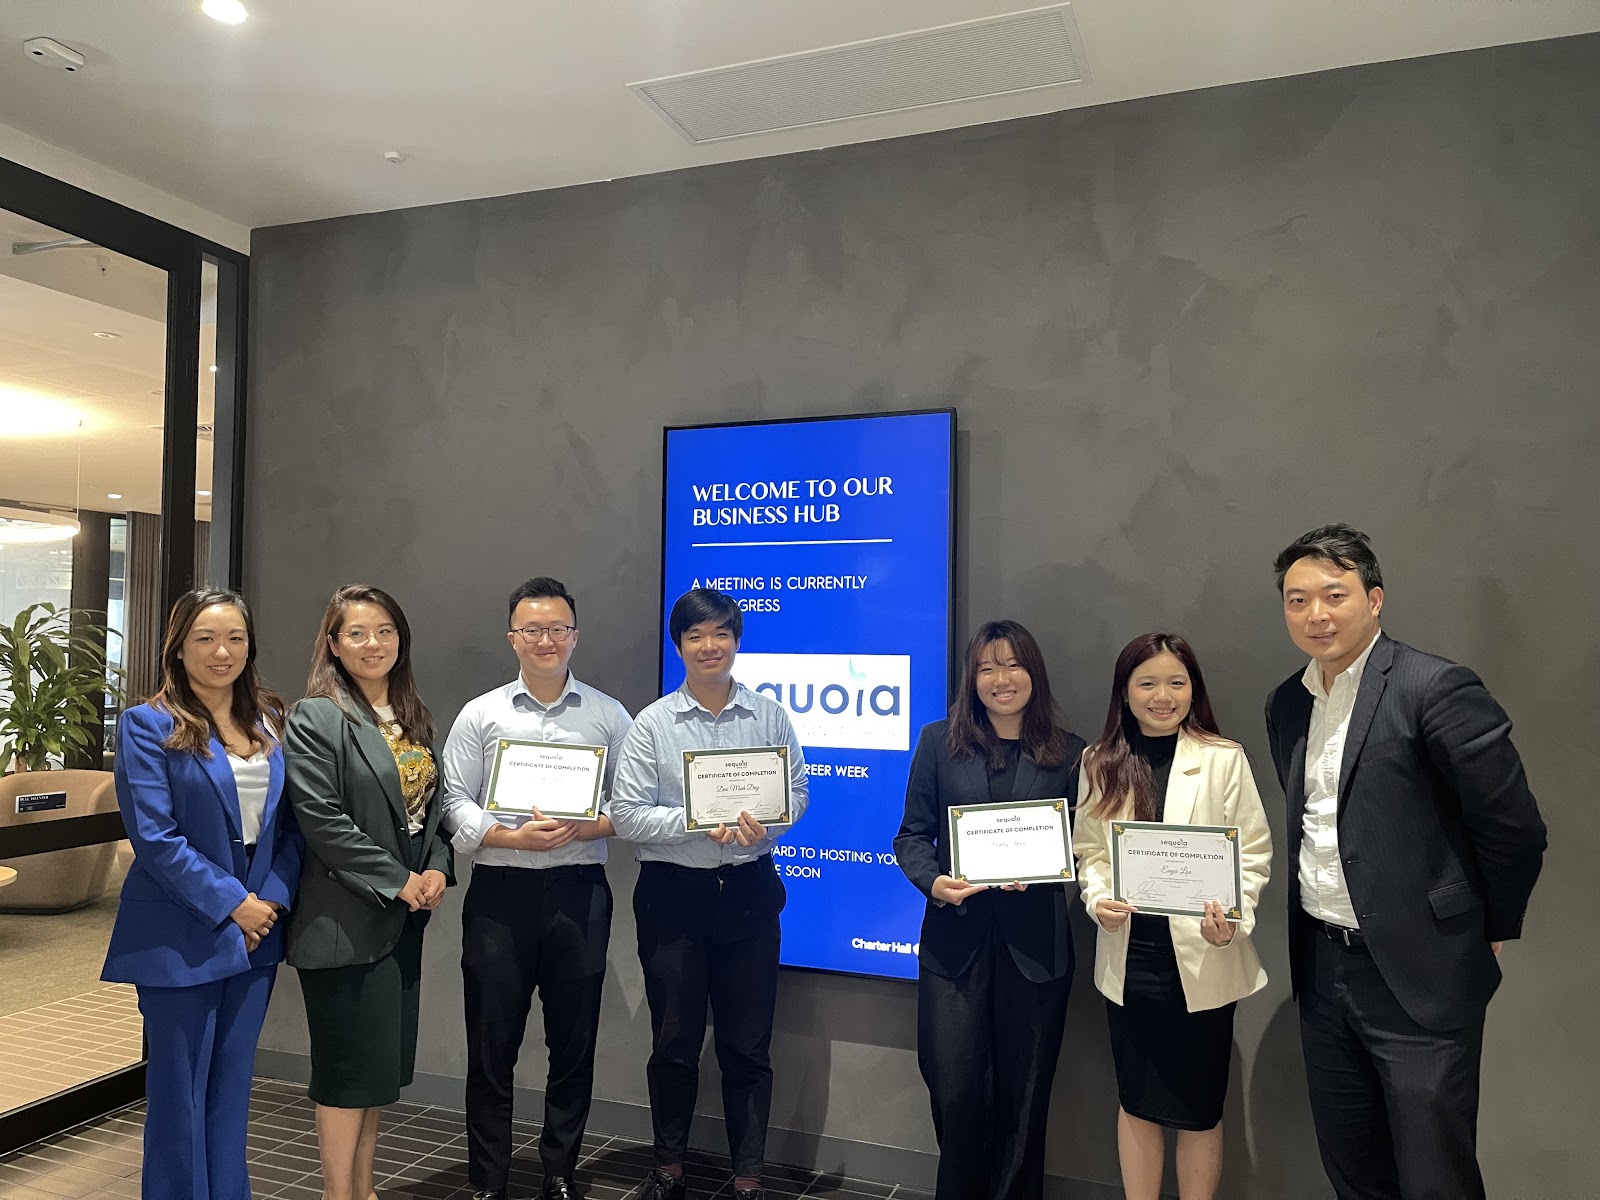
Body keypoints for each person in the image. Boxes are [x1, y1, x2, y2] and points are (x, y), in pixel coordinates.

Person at [1264, 524, 1546, 1200]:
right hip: (1322, 968)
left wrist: (1489, 927)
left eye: (1334, 595)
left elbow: (1512, 827)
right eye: (1298, 600)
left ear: (1375, 599)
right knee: (1353, 1167)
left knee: (1434, 1175)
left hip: (1421, 972)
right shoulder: (1288, 702)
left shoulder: (1434, 687)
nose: (1316, 614)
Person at [102, 588, 301, 1200]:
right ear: (179, 647)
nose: (222, 652)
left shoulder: (269, 718)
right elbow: (155, 838)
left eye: (235, 638)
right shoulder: (148, 724)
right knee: (179, 1098)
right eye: (206, 638)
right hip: (180, 934)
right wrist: (232, 903)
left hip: (256, 934)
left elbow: (289, 827)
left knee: (231, 1093)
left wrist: (267, 902)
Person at [610, 588, 809, 1200]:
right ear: (679, 646)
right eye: (695, 635)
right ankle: (668, 1168)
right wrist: (697, 822)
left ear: (737, 640)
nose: (709, 645)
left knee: (747, 1046)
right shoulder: (652, 724)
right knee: (673, 1042)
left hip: (749, 894)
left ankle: (747, 1176)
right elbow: (628, 814)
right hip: (673, 898)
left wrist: (766, 827)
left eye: (721, 632)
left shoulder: (770, 716)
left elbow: (797, 793)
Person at [438, 577, 633, 1200]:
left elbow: (633, 803)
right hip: (500, 894)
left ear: (574, 636)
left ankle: (559, 1172)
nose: (545, 640)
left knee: (574, 1043)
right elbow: (453, 800)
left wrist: (589, 825)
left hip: (580, 892)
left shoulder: (608, 715)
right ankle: (488, 1180)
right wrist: (507, 837)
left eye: (557, 629)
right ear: (512, 638)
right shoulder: (481, 714)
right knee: (490, 1043)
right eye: (532, 629)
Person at [892, 619, 1086, 1200]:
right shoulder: (938, 742)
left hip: (1037, 950)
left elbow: (1086, 846)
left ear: (1034, 673)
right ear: (972, 679)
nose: (1001, 679)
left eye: (1013, 665)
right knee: (954, 1091)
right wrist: (935, 883)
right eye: (987, 668)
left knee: (1026, 1098)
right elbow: (911, 836)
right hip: (955, 946)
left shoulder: (1071, 753)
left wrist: (1051, 868)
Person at [1075, 633, 1273, 1200]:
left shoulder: (1223, 758)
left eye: (1176, 683)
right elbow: (1089, 850)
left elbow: (1252, 851)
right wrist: (1099, 900)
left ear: (1193, 689)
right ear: (1125, 692)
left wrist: (1232, 918)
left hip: (1204, 957)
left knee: (1200, 1107)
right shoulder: (1099, 761)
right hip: (1132, 960)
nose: (1163, 696)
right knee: (1136, 1102)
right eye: (1148, 683)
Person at [283, 585, 454, 1200]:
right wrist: (399, 880)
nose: (372, 643)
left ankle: (364, 1189)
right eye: (356, 633)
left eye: (384, 630)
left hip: (400, 923)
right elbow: (322, 821)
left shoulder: (412, 716)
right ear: (333, 644)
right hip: (343, 923)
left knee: (376, 1075)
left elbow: (430, 815)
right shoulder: (316, 716)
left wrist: (437, 868)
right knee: (346, 1075)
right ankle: (339, 1194)